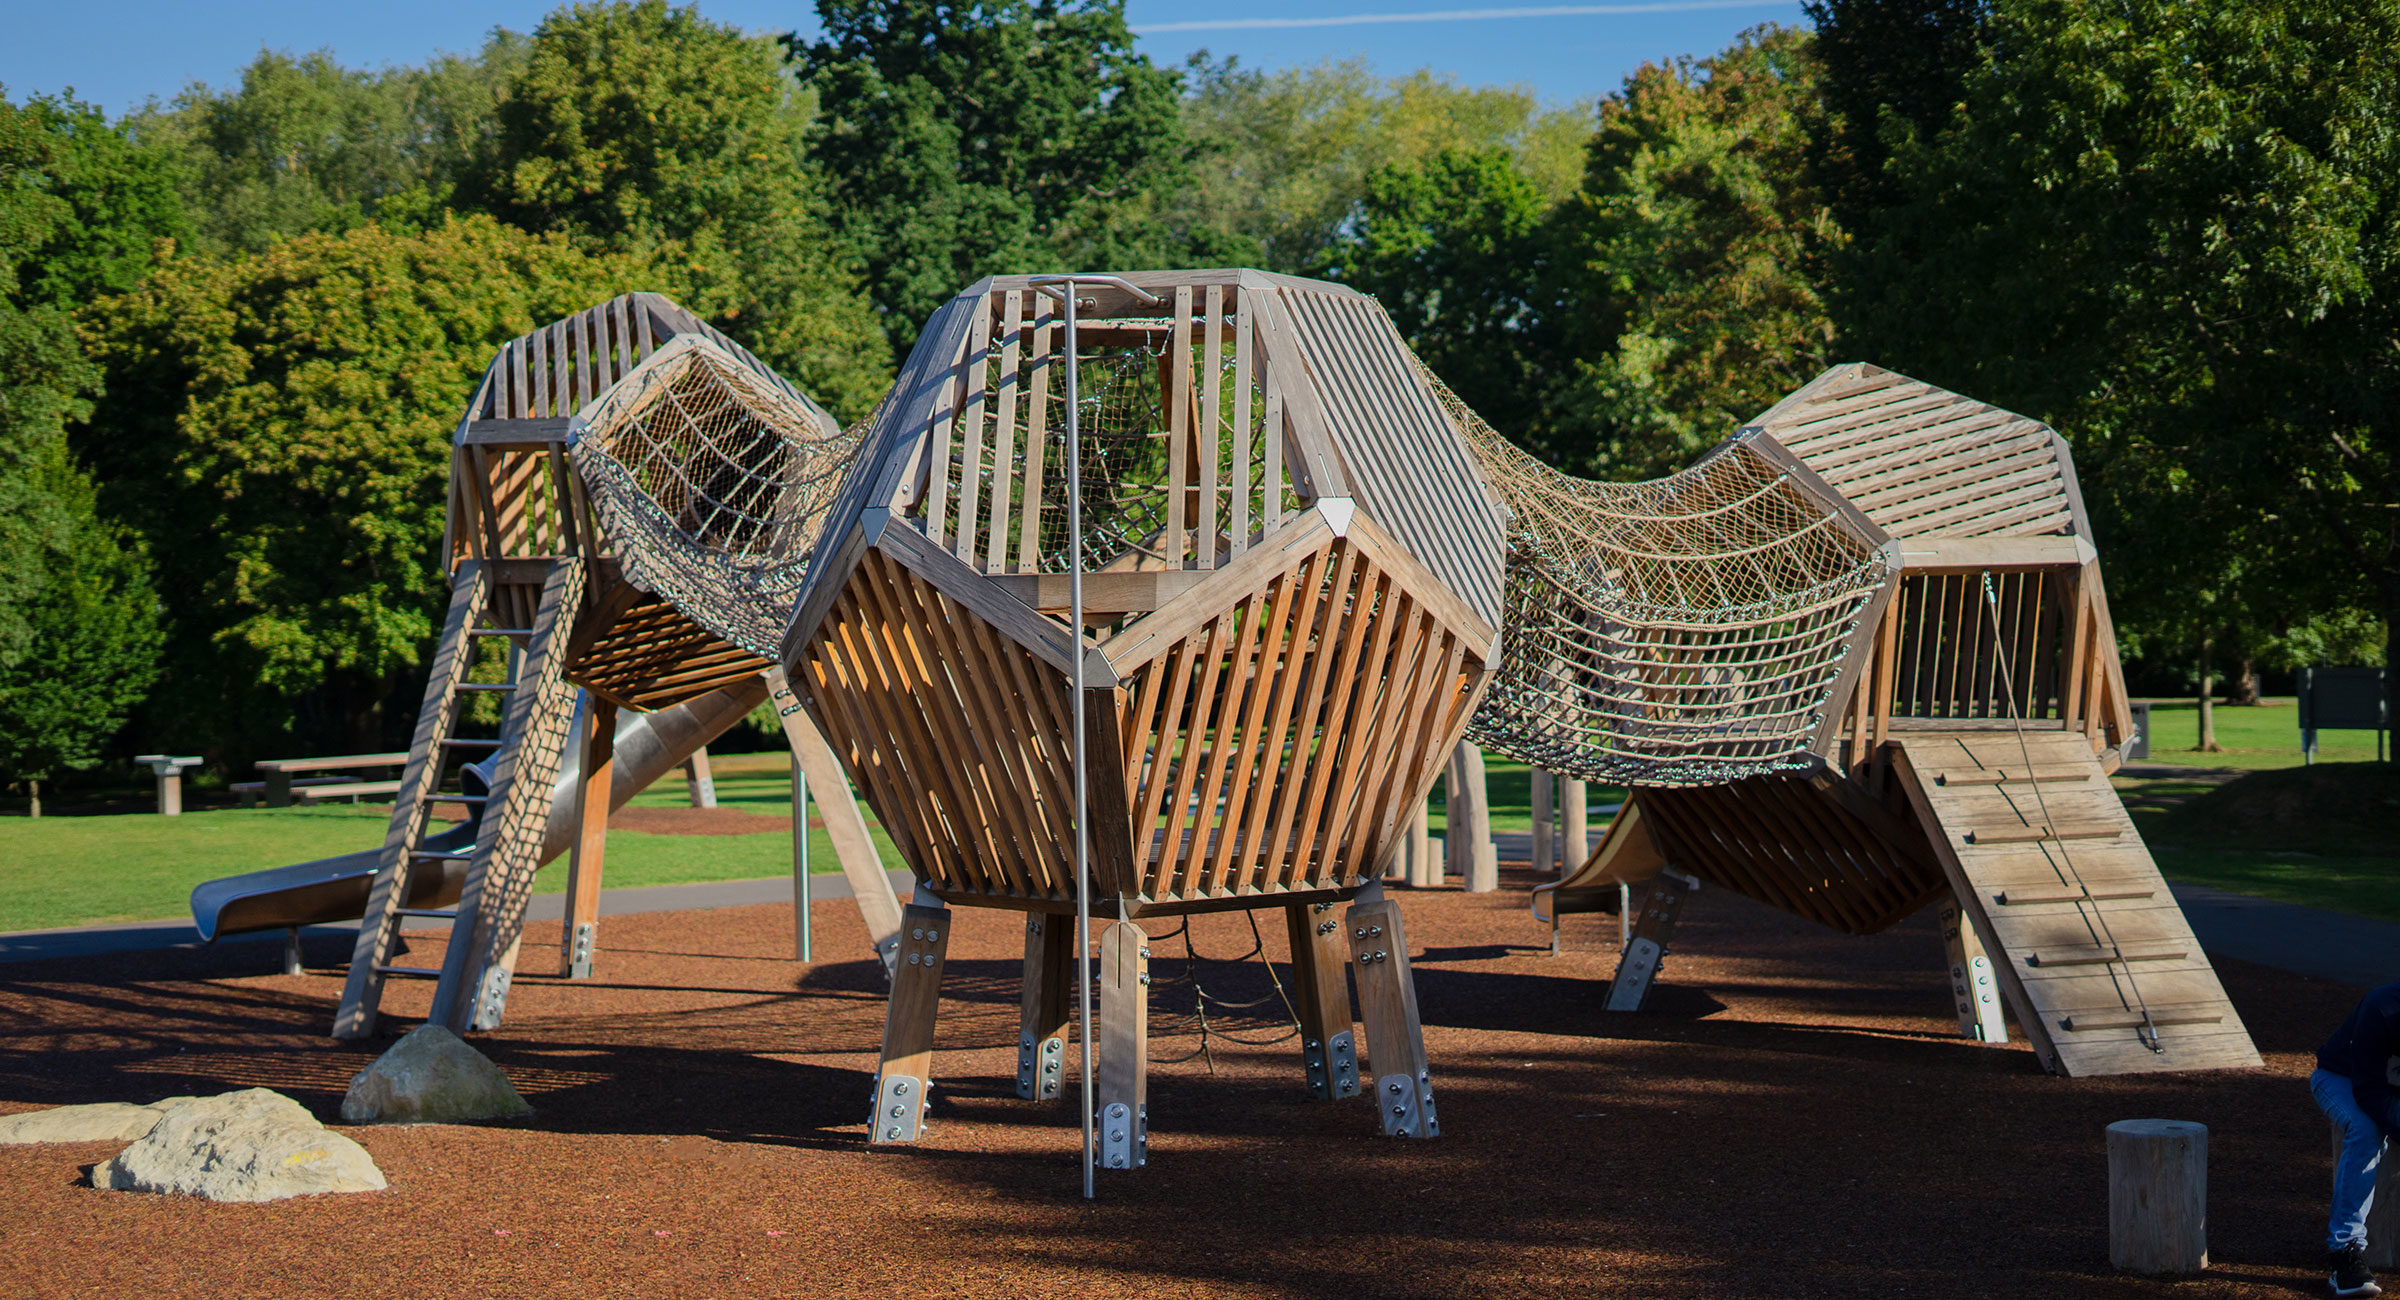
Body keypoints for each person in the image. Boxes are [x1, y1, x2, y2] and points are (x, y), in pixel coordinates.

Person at [2316, 981, 2400, 1297]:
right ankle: (2345, 1250)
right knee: (2366, 1131)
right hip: (2343, 1078)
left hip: (2390, 1085)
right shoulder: (2382, 1006)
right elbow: (2369, 1092)